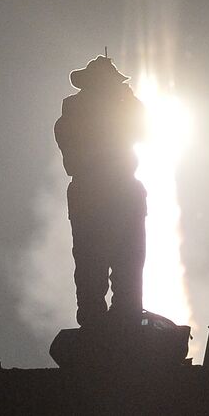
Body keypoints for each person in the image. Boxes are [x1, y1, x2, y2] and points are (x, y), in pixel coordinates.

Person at [55, 55, 148, 331]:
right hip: (97, 194)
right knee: (94, 267)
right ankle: (101, 328)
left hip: (114, 194)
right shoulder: (76, 114)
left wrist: (127, 103)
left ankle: (122, 324)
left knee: (126, 265)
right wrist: (126, 103)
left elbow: (146, 131)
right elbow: (142, 130)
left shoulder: (85, 112)